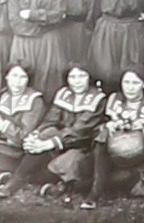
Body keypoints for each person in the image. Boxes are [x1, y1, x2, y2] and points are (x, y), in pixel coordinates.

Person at [94, 65, 144, 196]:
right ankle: (96, 190)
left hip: (141, 161)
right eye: (126, 82)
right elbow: (96, 129)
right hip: (112, 158)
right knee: (103, 135)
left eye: (135, 83)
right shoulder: (114, 100)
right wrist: (107, 126)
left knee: (128, 180)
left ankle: (102, 186)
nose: (130, 87)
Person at [7, 0, 65, 94]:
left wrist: (31, 15)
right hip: (23, 40)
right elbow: (14, 20)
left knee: (49, 77)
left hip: (48, 41)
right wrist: (42, 22)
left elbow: (58, 15)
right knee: (22, 76)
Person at [43, 59, 105, 189]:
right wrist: (36, 135)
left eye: (82, 76)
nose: (77, 81)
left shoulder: (98, 98)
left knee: (68, 162)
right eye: (72, 77)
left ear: (90, 78)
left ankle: (64, 185)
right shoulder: (64, 93)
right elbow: (51, 120)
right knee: (44, 134)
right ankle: (18, 178)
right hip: (62, 140)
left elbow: (80, 130)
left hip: (82, 145)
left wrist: (52, 142)